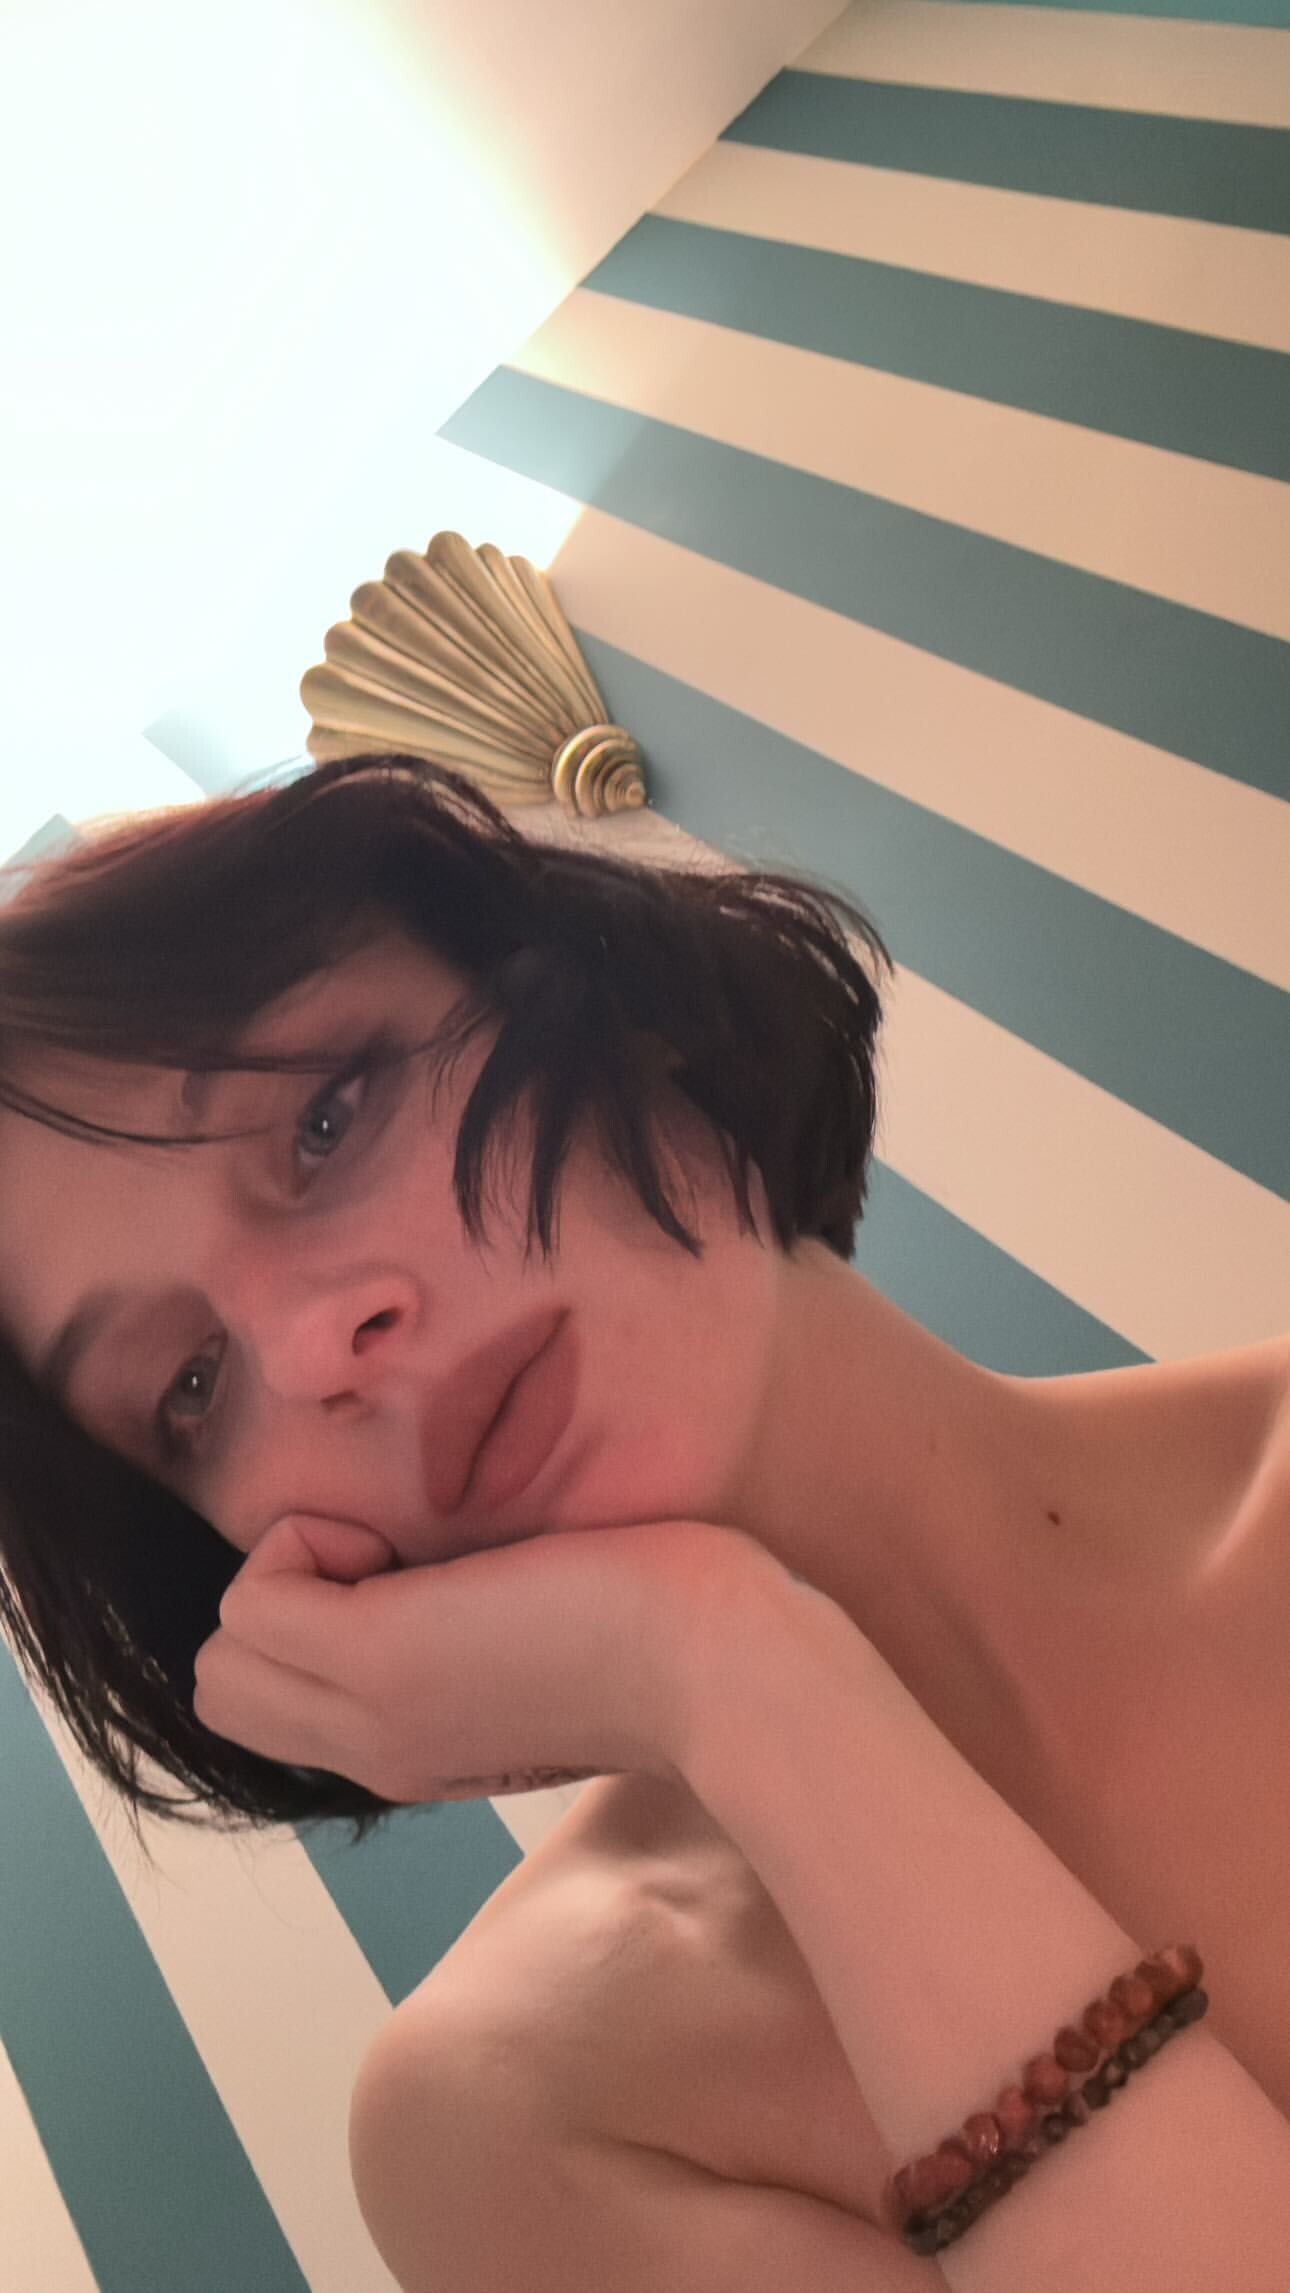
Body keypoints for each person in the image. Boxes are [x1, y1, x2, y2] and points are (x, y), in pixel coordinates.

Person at [0, 751, 1286, 2289]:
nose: (307, 1341)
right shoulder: (521, 2115)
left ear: (618, 998)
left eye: (328, 1119)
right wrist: (731, 1675)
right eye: (191, 1383)